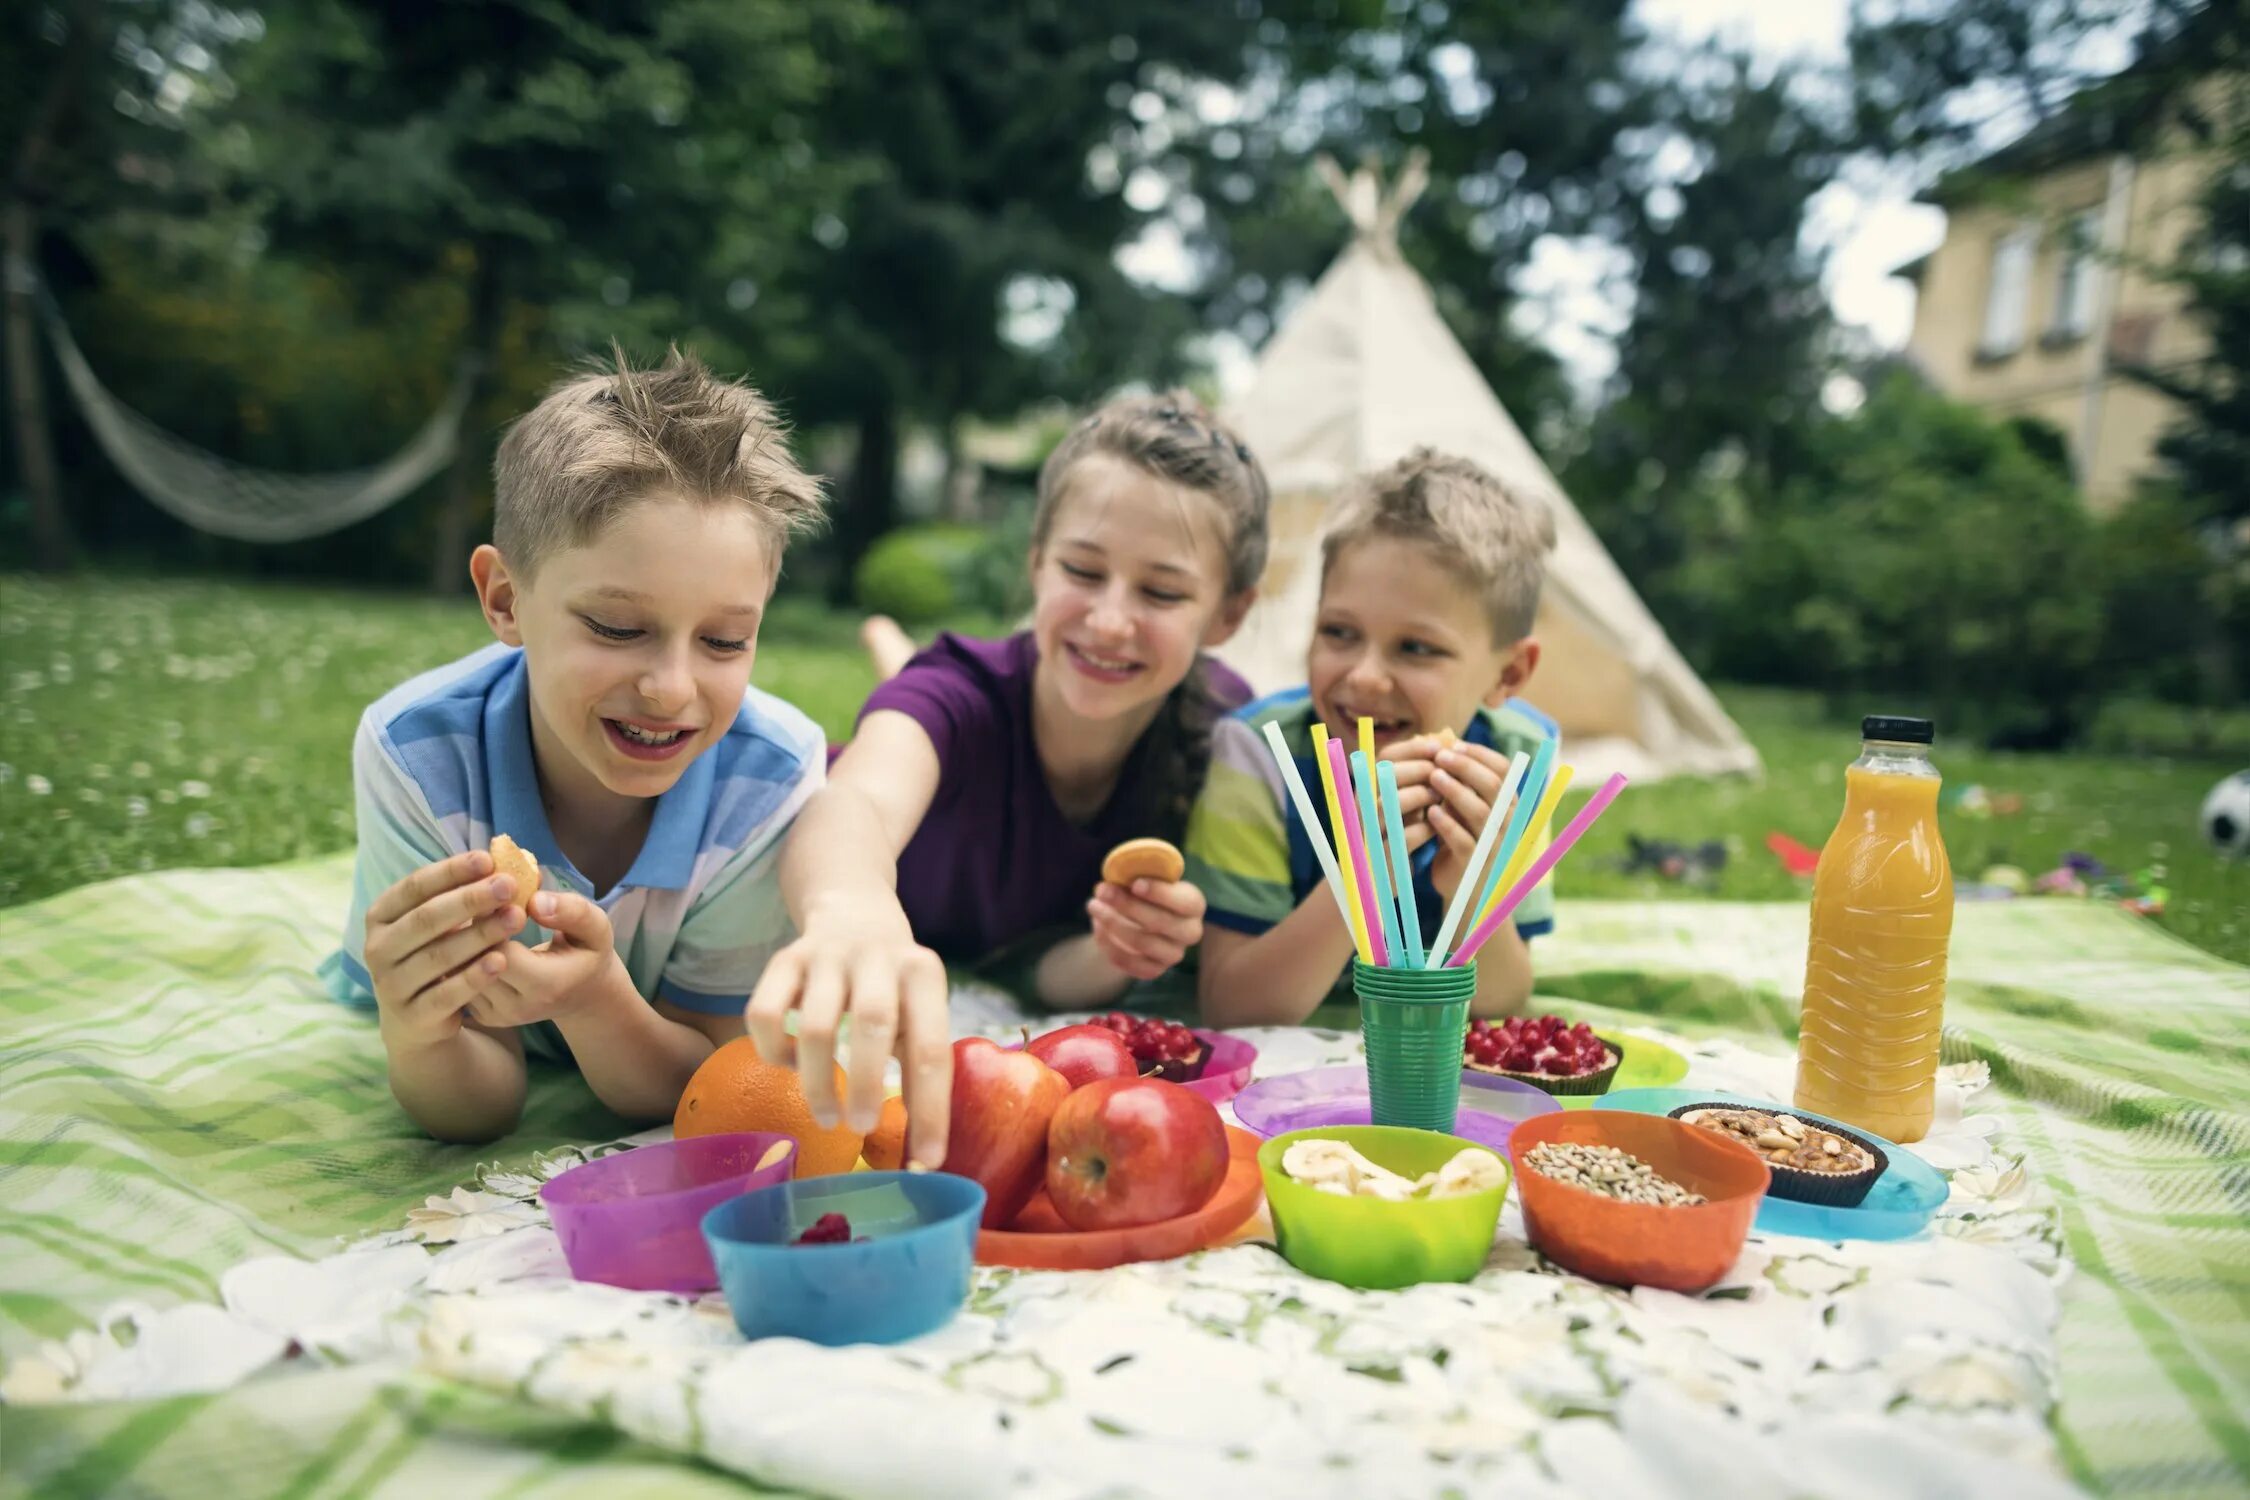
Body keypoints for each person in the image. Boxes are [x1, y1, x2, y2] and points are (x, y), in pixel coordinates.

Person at [747, 392, 1271, 1170]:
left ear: (1227, 615)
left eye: (1161, 592)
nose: (1110, 620)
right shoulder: (955, 692)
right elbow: (848, 804)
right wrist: (851, 910)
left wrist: (1117, 948)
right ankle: (891, 651)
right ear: (1035, 562)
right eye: (1082, 570)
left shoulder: (1224, 732)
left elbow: (1044, 971)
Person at [320, 349, 827, 1142]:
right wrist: (416, 1029)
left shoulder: (770, 780)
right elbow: (476, 1106)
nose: (670, 687)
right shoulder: (416, 754)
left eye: (726, 640)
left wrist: (594, 1000)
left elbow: (708, 1083)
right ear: (504, 599)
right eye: (618, 628)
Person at [1187, 448, 1559, 1027]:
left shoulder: (1519, 763)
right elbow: (1230, 1006)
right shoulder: (1260, 756)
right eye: (1339, 632)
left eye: (1416, 647)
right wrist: (1357, 875)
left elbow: (1501, 1005)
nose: (1362, 675)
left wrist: (1475, 883)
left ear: (1507, 674)